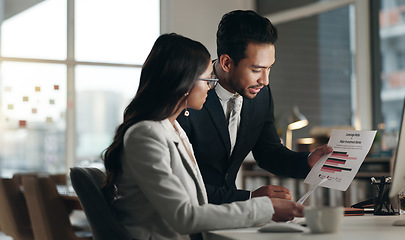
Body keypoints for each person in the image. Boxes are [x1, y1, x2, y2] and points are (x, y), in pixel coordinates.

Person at [103, 33, 304, 240]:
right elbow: (185, 216)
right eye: (208, 79)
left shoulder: (173, 130)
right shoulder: (146, 135)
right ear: (184, 82)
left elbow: (198, 204)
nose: (211, 86)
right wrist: (264, 208)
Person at [177, 10, 333, 205]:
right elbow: (179, 183)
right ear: (226, 63)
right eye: (256, 70)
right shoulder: (189, 97)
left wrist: (307, 161)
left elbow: (269, 153)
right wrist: (250, 198)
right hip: (187, 213)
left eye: (269, 68)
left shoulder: (260, 95)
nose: (265, 80)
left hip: (231, 217)